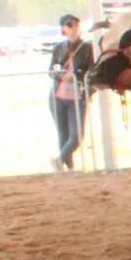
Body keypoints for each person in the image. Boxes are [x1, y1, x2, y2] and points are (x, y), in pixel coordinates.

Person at [48, 13, 93, 171]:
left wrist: (76, 77)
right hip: (58, 96)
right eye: (70, 25)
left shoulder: (88, 48)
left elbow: (92, 71)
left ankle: (59, 159)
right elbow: (51, 71)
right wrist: (62, 76)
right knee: (63, 133)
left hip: (77, 96)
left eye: (76, 25)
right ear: (63, 29)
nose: (74, 28)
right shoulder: (58, 48)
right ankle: (69, 166)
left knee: (76, 136)